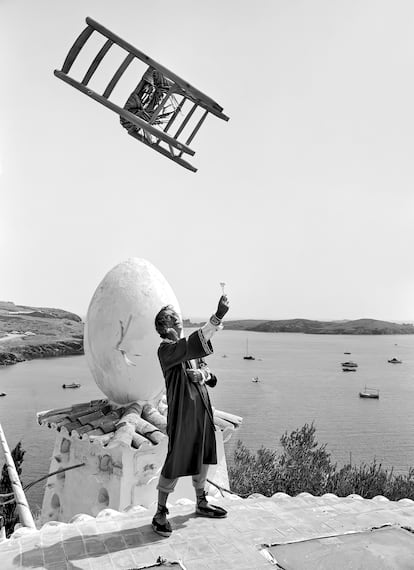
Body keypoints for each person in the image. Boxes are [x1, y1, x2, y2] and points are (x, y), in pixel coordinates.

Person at [152, 294, 230, 537]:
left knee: (204, 454)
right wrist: (217, 318)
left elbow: (212, 377)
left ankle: (201, 501)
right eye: (175, 320)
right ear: (166, 327)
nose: (179, 323)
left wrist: (203, 376)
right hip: (184, 415)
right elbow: (194, 343)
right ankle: (160, 511)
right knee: (176, 458)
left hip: (203, 412)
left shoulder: (188, 351)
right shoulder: (167, 351)